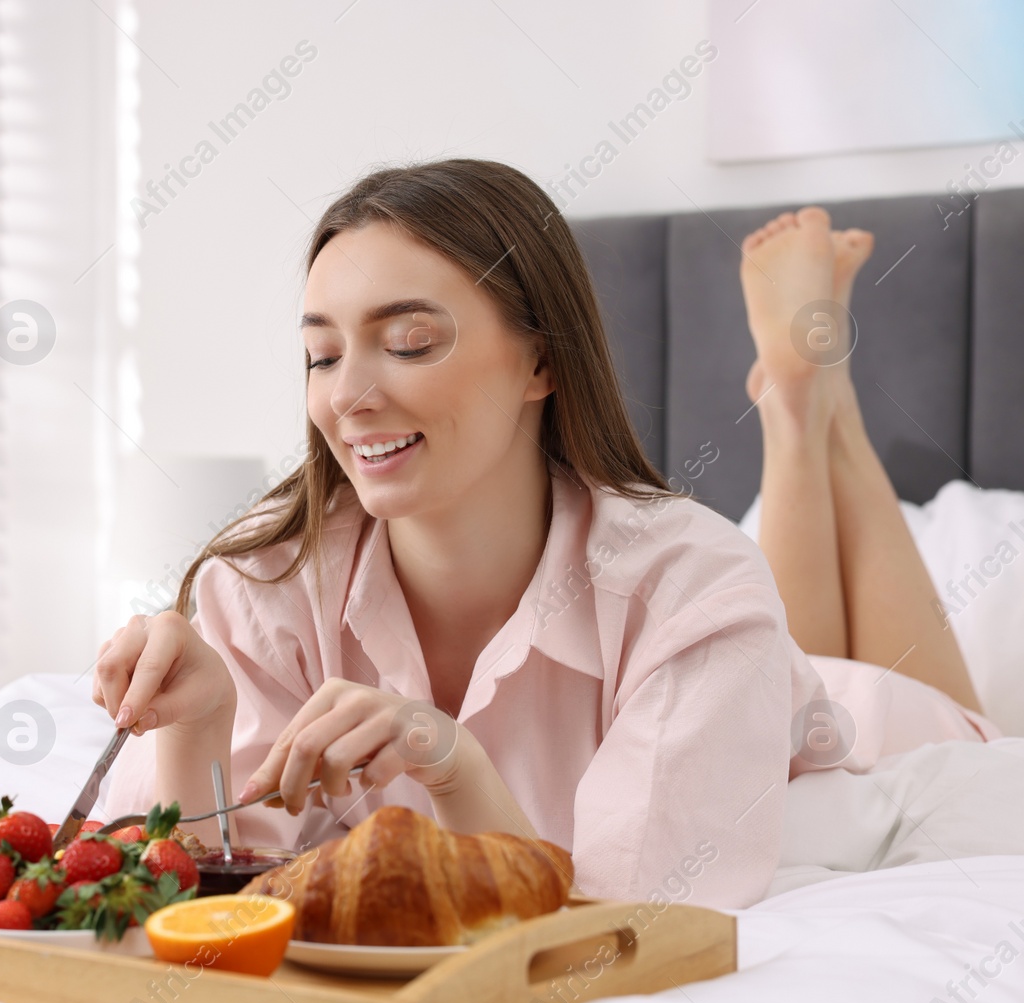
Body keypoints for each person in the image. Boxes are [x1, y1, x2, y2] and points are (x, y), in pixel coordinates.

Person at [95, 160, 997, 908]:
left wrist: (451, 763)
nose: (348, 395)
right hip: (734, 655)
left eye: (408, 341)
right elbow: (191, 901)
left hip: (835, 728)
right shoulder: (267, 582)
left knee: (941, 711)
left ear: (542, 360)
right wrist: (200, 728)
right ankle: (805, 399)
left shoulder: (692, 584)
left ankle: (808, 406)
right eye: (322, 354)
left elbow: (625, 924)